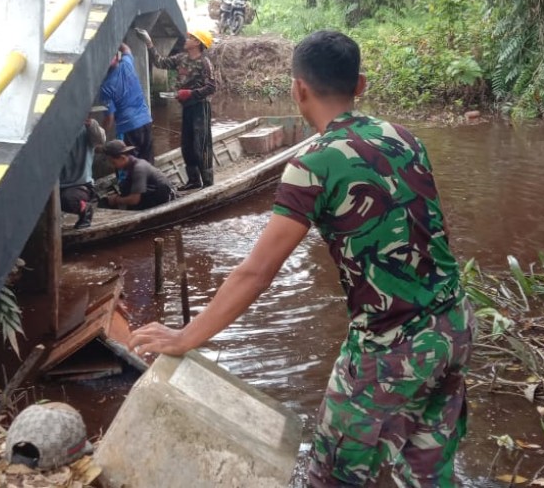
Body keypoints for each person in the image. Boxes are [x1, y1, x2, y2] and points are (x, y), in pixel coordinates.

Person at [128, 31, 473, 487]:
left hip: (390, 345)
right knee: (428, 469)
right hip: (454, 325)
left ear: (298, 88)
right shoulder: (403, 137)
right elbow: (440, 234)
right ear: (361, 85)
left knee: (331, 474)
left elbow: (257, 271)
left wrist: (186, 336)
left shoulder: (313, 164)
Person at [136, 27, 216, 190]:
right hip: (187, 107)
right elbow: (160, 62)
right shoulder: (181, 58)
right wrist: (149, 43)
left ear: (197, 43)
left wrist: (191, 93)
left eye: (189, 38)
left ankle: (207, 183)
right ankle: (194, 181)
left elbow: (211, 87)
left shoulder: (204, 62)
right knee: (186, 145)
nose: (185, 40)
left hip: (201, 108)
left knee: (200, 145)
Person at [99, 43, 154, 163]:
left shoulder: (105, 88)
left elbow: (109, 118)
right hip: (146, 121)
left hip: (128, 128)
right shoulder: (127, 64)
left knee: (127, 165)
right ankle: (149, 182)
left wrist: (100, 138)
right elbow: (126, 48)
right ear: (118, 58)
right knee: (148, 163)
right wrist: (115, 41)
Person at [100, 139, 177, 210]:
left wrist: (116, 200)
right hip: (152, 192)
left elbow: (134, 200)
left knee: (126, 192)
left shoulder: (138, 168)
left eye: (113, 163)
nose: (112, 166)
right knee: (124, 186)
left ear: (123, 158)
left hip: (163, 196)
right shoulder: (131, 165)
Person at [59, 118, 105, 229]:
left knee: (68, 199)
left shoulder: (86, 129)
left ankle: (86, 210)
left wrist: (91, 124)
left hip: (80, 185)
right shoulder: (53, 130)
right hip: (57, 185)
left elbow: (100, 138)